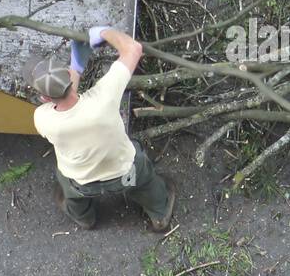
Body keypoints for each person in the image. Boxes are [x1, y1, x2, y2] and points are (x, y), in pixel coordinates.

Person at [22, 26, 175, 231]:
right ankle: (159, 215)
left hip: (82, 183)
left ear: (44, 98)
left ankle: (84, 218)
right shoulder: (104, 98)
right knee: (145, 182)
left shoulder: (42, 118)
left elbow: (66, 104)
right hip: (125, 174)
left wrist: (76, 68)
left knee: (70, 190)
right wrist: (103, 33)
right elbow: (133, 48)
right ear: (67, 75)